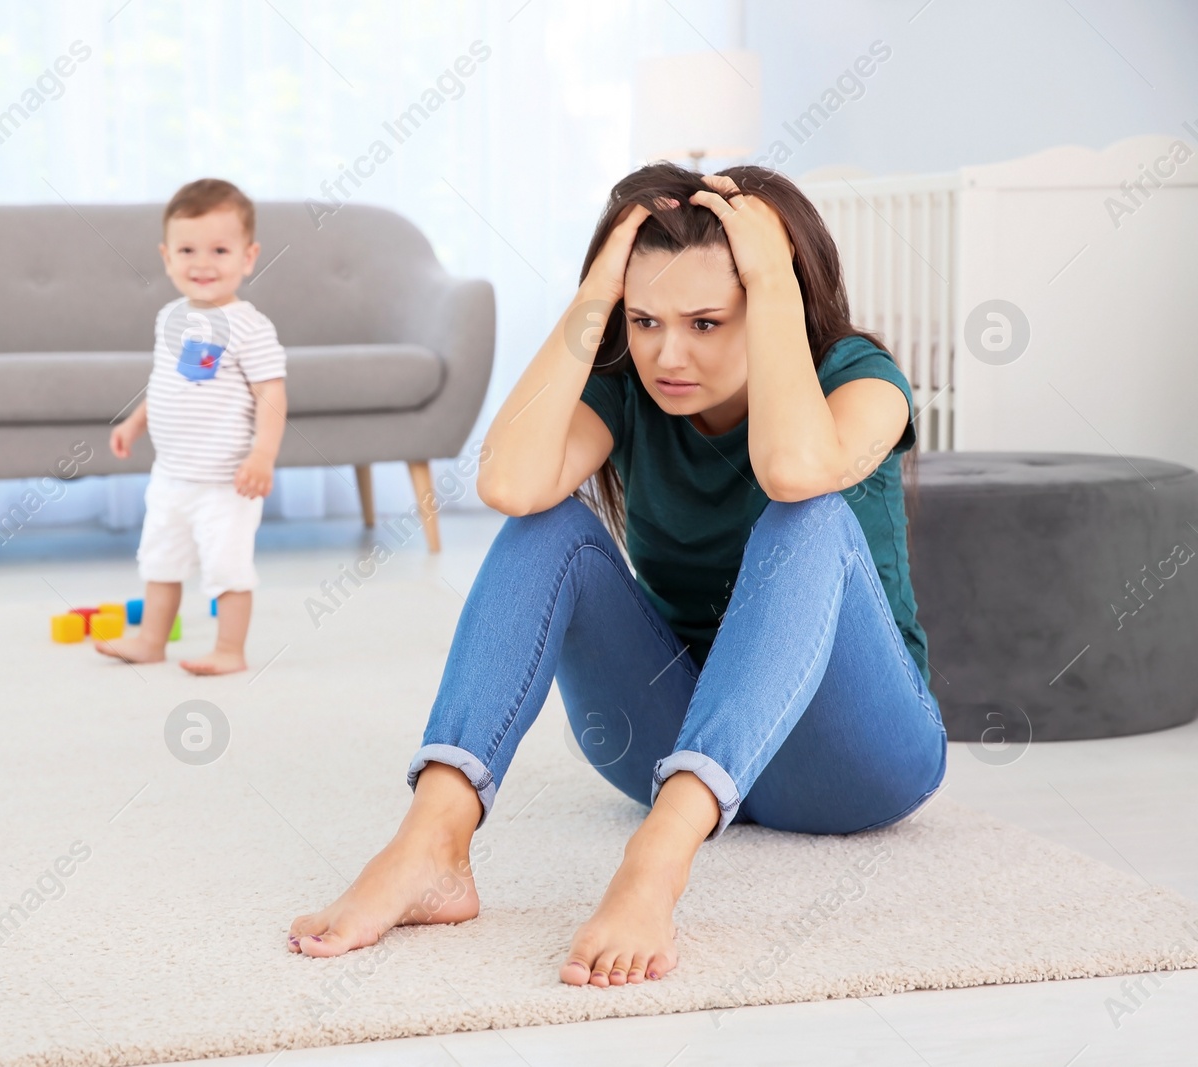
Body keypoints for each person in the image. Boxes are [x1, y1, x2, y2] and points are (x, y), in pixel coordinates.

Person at [286, 162, 947, 986]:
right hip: (670, 741)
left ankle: (657, 862)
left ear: (773, 304)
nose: (669, 353)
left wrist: (774, 281)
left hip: (855, 760)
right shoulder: (633, 386)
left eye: (706, 322)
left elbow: (791, 472)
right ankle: (433, 841)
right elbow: (510, 484)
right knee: (546, 522)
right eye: (645, 320)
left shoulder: (860, 376)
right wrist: (593, 299)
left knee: (806, 513)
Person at [97, 178, 287, 676]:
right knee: (158, 560)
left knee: (227, 568)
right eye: (187, 250)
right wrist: (135, 421)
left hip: (227, 482)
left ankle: (230, 650)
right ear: (166, 256)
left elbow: (271, 392)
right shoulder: (170, 317)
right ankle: (150, 641)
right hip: (172, 476)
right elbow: (167, 381)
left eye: (220, 250)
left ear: (248, 257)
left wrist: (262, 454)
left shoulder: (249, 325)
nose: (202, 264)